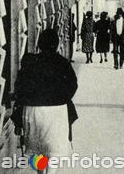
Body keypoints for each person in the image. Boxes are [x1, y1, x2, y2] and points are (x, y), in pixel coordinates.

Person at [12, 29, 78, 169]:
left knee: (37, 152)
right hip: (57, 112)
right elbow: (72, 85)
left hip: (32, 111)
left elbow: (20, 86)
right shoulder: (63, 63)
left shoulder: (30, 61)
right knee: (53, 153)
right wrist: (61, 98)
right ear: (56, 43)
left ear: (40, 43)